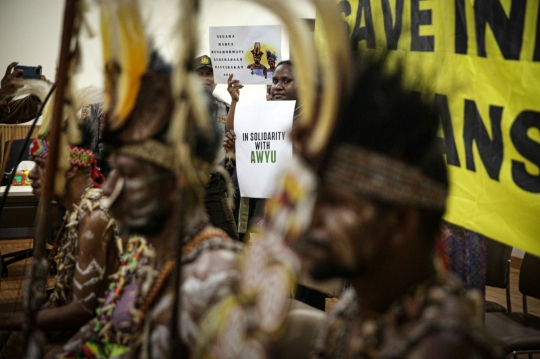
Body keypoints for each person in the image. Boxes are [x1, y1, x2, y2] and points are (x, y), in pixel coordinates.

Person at [289, 57, 503, 358]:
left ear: (402, 222)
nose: (310, 217)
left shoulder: (441, 347)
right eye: (314, 198)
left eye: (335, 203)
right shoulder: (358, 309)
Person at [56, 52, 242, 359]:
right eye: (112, 170)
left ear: (172, 183)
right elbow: (104, 332)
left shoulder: (214, 276)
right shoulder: (144, 252)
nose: (110, 188)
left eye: (127, 173)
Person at [0, 120, 119, 358]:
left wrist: (13, 320)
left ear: (71, 168)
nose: (33, 174)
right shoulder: (81, 210)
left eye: (41, 166)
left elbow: (84, 309)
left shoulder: (94, 215)